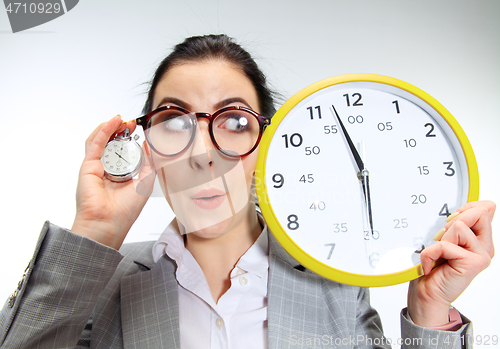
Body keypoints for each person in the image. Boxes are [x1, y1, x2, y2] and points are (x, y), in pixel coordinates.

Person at [0, 34, 495, 349]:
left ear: (271, 145)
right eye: (173, 120)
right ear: (144, 146)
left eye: (235, 121)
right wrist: (96, 231)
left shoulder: (336, 286)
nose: (202, 153)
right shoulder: (99, 280)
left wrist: (431, 313)